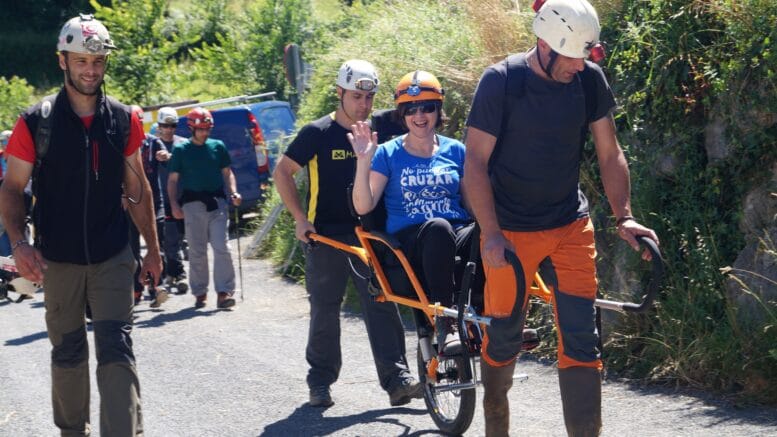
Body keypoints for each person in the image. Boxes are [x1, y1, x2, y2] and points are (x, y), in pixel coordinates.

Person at [463, 1, 660, 435]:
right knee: (507, 334)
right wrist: (491, 234)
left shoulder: (588, 80)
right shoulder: (502, 82)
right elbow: (475, 164)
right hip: (511, 232)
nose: (580, 64)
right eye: (573, 55)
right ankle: (495, 416)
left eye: (586, 54)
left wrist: (623, 217)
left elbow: (610, 154)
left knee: (582, 339)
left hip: (570, 225)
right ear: (546, 45)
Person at [0, 14, 162, 436]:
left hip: (112, 253)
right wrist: (20, 244)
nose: (90, 70)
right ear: (63, 61)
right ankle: (73, 431)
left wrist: (154, 249)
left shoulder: (123, 119)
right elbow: (12, 188)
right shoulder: (36, 122)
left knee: (116, 346)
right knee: (68, 353)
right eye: (81, 61)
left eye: (98, 61)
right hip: (58, 259)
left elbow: (137, 187)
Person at [272, 59, 423, 408]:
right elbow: (283, 172)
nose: (364, 105)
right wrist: (299, 218)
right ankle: (320, 382)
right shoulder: (317, 133)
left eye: (369, 98)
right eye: (356, 97)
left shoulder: (381, 129)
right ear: (339, 93)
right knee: (325, 310)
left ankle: (397, 380)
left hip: (369, 236)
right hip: (324, 236)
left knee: (381, 304)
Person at [350, 70, 473, 354]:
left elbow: (471, 204)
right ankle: (445, 323)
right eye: (411, 110)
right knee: (438, 228)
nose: (420, 116)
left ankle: (506, 319)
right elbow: (363, 206)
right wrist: (363, 161)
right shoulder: (387, 153)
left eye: (427, 108)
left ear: (437, 110)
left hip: (455, 231)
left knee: (489, 232)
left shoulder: (456, 151)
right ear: (402, 115)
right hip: (413, 240)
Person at [166, 107, 240, 309]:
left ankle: (224, 292)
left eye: (207, 128)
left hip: (217, 203)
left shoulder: (218, 146)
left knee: (222, 247)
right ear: (191, 128)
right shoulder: (181, 150)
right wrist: (174, 204)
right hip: (192, 205)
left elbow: (227, 172)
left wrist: (233, 191)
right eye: (201, 129)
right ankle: (200, 292)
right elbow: (173, 181)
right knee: (197, 251)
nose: (205, 133)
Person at [129, 105, 169, 308]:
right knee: (132, 249)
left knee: (156, 245)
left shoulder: (152, 142)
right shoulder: (121, 143)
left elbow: (164, 154)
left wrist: (165, 156)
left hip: (154, 203)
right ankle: (136, 289)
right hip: (129, 204)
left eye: (139, 119)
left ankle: (156, 287)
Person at [155, 106, 188, 293]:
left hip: (185, 198)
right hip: (163, 200)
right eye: (164, 126)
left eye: (172, 126)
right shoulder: (152, 145)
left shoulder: (183, 144)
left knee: (184, 239)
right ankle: (179, 274)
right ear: (159, 126)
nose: (168, 130)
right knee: (169, 240)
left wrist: (172, 158)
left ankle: (172, 271)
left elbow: (192, 164)